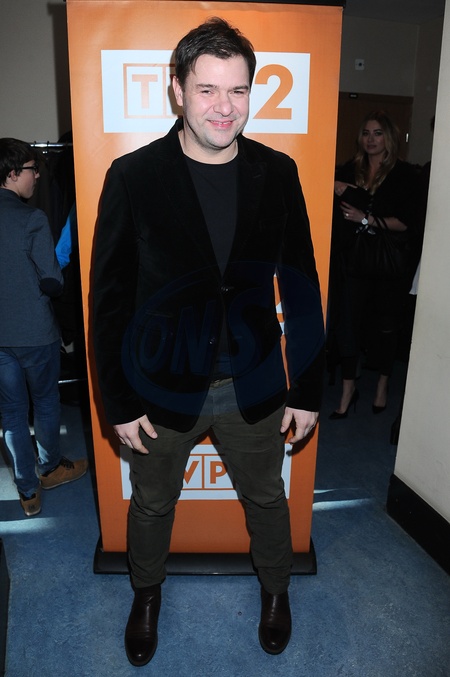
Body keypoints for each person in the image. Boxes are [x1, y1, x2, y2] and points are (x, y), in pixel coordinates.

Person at [93, 17, 324, 666]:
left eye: (238, 90)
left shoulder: (277, 173)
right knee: (151, 505)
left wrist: (308, 387)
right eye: (207, 89)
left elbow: (301, 284)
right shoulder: (133, 175)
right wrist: (118, 400)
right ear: (177, 90)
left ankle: (276, 591)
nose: (225, 106)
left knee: (267, 499)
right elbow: (108, 300)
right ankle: (146, 596)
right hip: (160, 386)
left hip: (254, 381)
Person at [0, 138, 88, 517]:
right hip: (35, 332)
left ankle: (27, 491)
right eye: (32, 170)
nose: (36, 177)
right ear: (13, 173)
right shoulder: (31, 218)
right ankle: (50, 469)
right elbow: (52, 281)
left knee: (11, 413)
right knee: (46, 402)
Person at [328, 110, 418, 419]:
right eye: (366, 133)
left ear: (389, 138)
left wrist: (365, 217)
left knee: (386, 327)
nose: (371, 139)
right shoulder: (348, 170)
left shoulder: (404, 175)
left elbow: (405, 222)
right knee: (347, 326)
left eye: (378, 133)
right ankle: (348, 389)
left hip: (388, 264)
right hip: (352, 260)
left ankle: (382, 383)